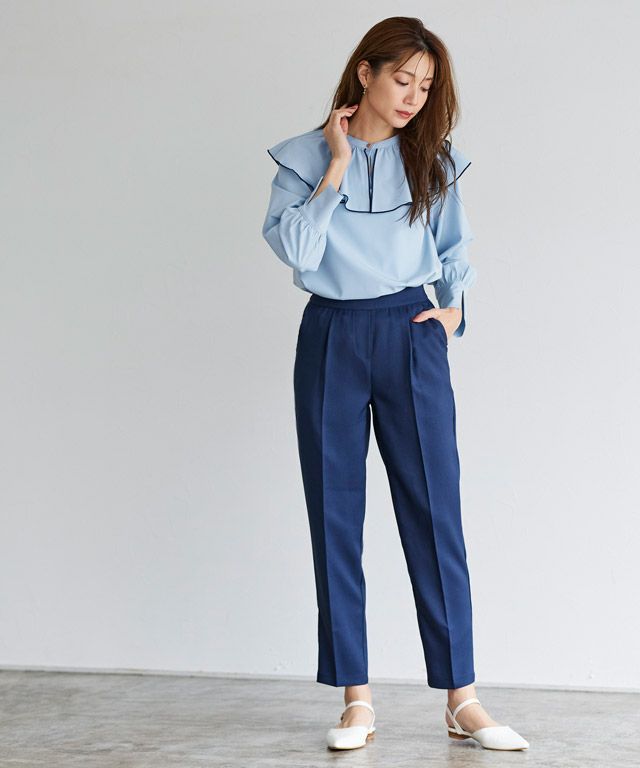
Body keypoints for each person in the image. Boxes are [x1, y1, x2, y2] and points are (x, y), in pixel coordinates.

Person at [261, 16, 529, 753]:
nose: (413, 96)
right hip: (333, 334)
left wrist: (452, 315)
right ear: (366, 74)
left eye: (426, 85)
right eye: (402, 79)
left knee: (436, 512)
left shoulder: (432, 162)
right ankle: (356, 699)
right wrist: (336, 166)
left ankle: (461, 697)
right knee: (335, 513)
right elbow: (298, 250)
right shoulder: (305, 158)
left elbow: (454, 249)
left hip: (411, 334)